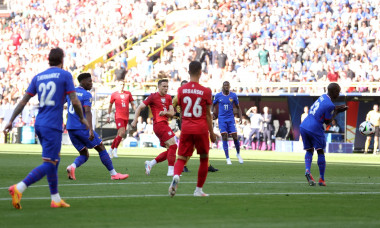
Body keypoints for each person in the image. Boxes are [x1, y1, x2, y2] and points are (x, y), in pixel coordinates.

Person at [4, 47, 89, 209]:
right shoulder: (65, 75)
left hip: (40, 124)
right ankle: (19, 188)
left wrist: (11, 120)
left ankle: (55, 198)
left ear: (48, 59)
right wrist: (82, 118)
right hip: (52, 125)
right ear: (62, 60)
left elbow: (23, 101)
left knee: (53, 160)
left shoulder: (38, 77)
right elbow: (75, 101)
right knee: (50, 163)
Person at [65, 73, 129, 181]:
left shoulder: (70, 93)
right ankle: (114, 174)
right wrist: (90, 129)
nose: (91, 83)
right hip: (82, 127)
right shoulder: (86, 95)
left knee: (84, 153)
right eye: (89, 81)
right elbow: (88, 112)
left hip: (71, 128)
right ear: (83, 82)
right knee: (101, 147)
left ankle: (72, 167)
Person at [168, 61, 216, 197]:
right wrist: (211, 133)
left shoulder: (181, 90)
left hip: (186, 128)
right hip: (201, 129)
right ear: (201, 72)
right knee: (204, 158)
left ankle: (176, 176)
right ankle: (198, 190)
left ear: (188, 72)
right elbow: (208, 114)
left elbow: (178, 108)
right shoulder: (206, 91)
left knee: (182, 157)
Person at [300, 83, 348, 187]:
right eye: (338, 92)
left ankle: (307, 170)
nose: (339, 94)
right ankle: (321, 179)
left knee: (309, 150)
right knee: (320, 151)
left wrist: (336, 108)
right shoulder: (330, 105)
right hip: (315, 127)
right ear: (334, 92)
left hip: (304, 125)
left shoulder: (323, 97)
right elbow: (328, 120)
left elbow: (324, 108)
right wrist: (338, 111)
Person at [131, 78, 177, 176]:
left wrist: (166, 112)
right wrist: (135, 120)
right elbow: (140, 107)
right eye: (164, 86)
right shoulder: (152, 97)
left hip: (165, 124)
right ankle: (171, 171)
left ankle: (150, 163)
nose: (166, 88)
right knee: (173, 146)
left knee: (170, 150)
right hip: (159, 125)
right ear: (159, 87)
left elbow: (172, 112)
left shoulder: (169, 97)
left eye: (167, 87)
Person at [173, 80, 219, 173]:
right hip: (183, 122)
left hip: (193, 121)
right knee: (191, 145)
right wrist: (177, 115)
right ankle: (183, 165)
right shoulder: (177, 97)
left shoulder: (193, 95)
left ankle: (207, 165)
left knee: (202, 144)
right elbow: (170, 108)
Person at [212, 81, 243, 164]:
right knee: (224, 136)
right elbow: (213, 105)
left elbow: (238, 107)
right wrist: (212, 114)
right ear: (223, 86)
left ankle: (238, 154)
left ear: (229, 86)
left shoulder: (233, 95)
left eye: (227, 85)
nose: (226, 86)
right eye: (224, 85)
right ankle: (228, 158)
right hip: (221, 119)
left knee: (235, 136)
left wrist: (240, 117)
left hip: (231, 119)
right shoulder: (218, 95)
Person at [107, 81, 136, 158]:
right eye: (120, 84)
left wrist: (136, 112)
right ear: (117, 85)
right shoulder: (114, 94)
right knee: (122, 132)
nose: (122, 86)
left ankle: (110, 150)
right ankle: (115, 150)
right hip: (118, 116)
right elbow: (110, 105)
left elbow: (133, 104)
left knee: (119, 134)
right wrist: (108, 116)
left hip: (126, 116)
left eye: (123, 84)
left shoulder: (128, 93)